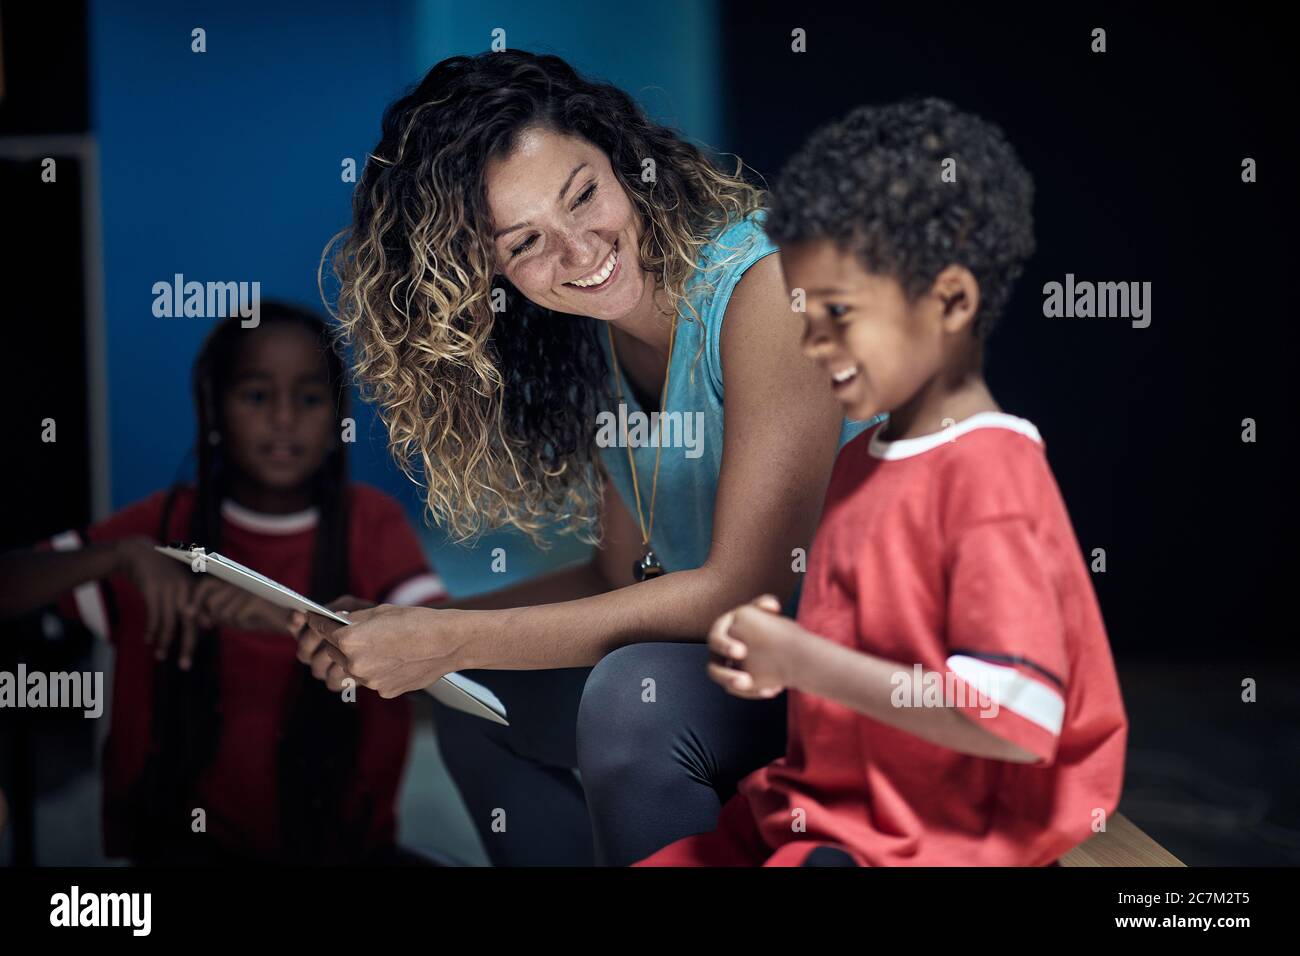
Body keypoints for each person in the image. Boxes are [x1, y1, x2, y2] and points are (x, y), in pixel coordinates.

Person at [297, 50, 876, 865]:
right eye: (525, 242)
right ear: (480, 273)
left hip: (872, 670)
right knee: (473, 699)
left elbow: (744, 589)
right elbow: (619, 578)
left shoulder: (767, 292)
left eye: (583, 195)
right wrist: (418, 635)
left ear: (621, 160)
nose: (580, 252)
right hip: (758, 670)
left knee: (629, 702)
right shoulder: (607, 349)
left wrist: (449, 639)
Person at [637, 99, 1128, 866]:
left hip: (948, 834)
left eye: (840, 311)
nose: (811, 341)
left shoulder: (988, 474)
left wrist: (803, 661)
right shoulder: (859, 461)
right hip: (837, 806)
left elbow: (1010, 714)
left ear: (952, 300)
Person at [0, 303, 447, 863]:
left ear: (338, 419)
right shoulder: (161, 528)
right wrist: (117, 557)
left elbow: (448, 673)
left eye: (309, 398)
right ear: (213, 409)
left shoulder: (372, 525)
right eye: (257, 396)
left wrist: (286, 617)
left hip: (346, 850)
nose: (284, 418)